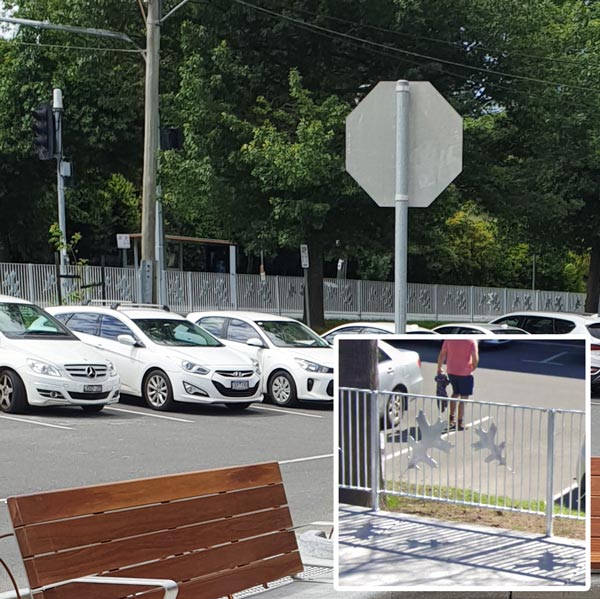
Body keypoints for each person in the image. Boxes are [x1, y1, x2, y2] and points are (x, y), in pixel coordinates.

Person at [436, 338, 479, 431]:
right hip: (465, 373)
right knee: (464, 398)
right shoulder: (472, 341)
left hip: (451, 371)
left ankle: (451, 418)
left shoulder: (449, 339)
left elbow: (442, 354)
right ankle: (460, 422)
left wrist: (439, 367)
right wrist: (472, 368)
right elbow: (475, 358)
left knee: (455, 393)